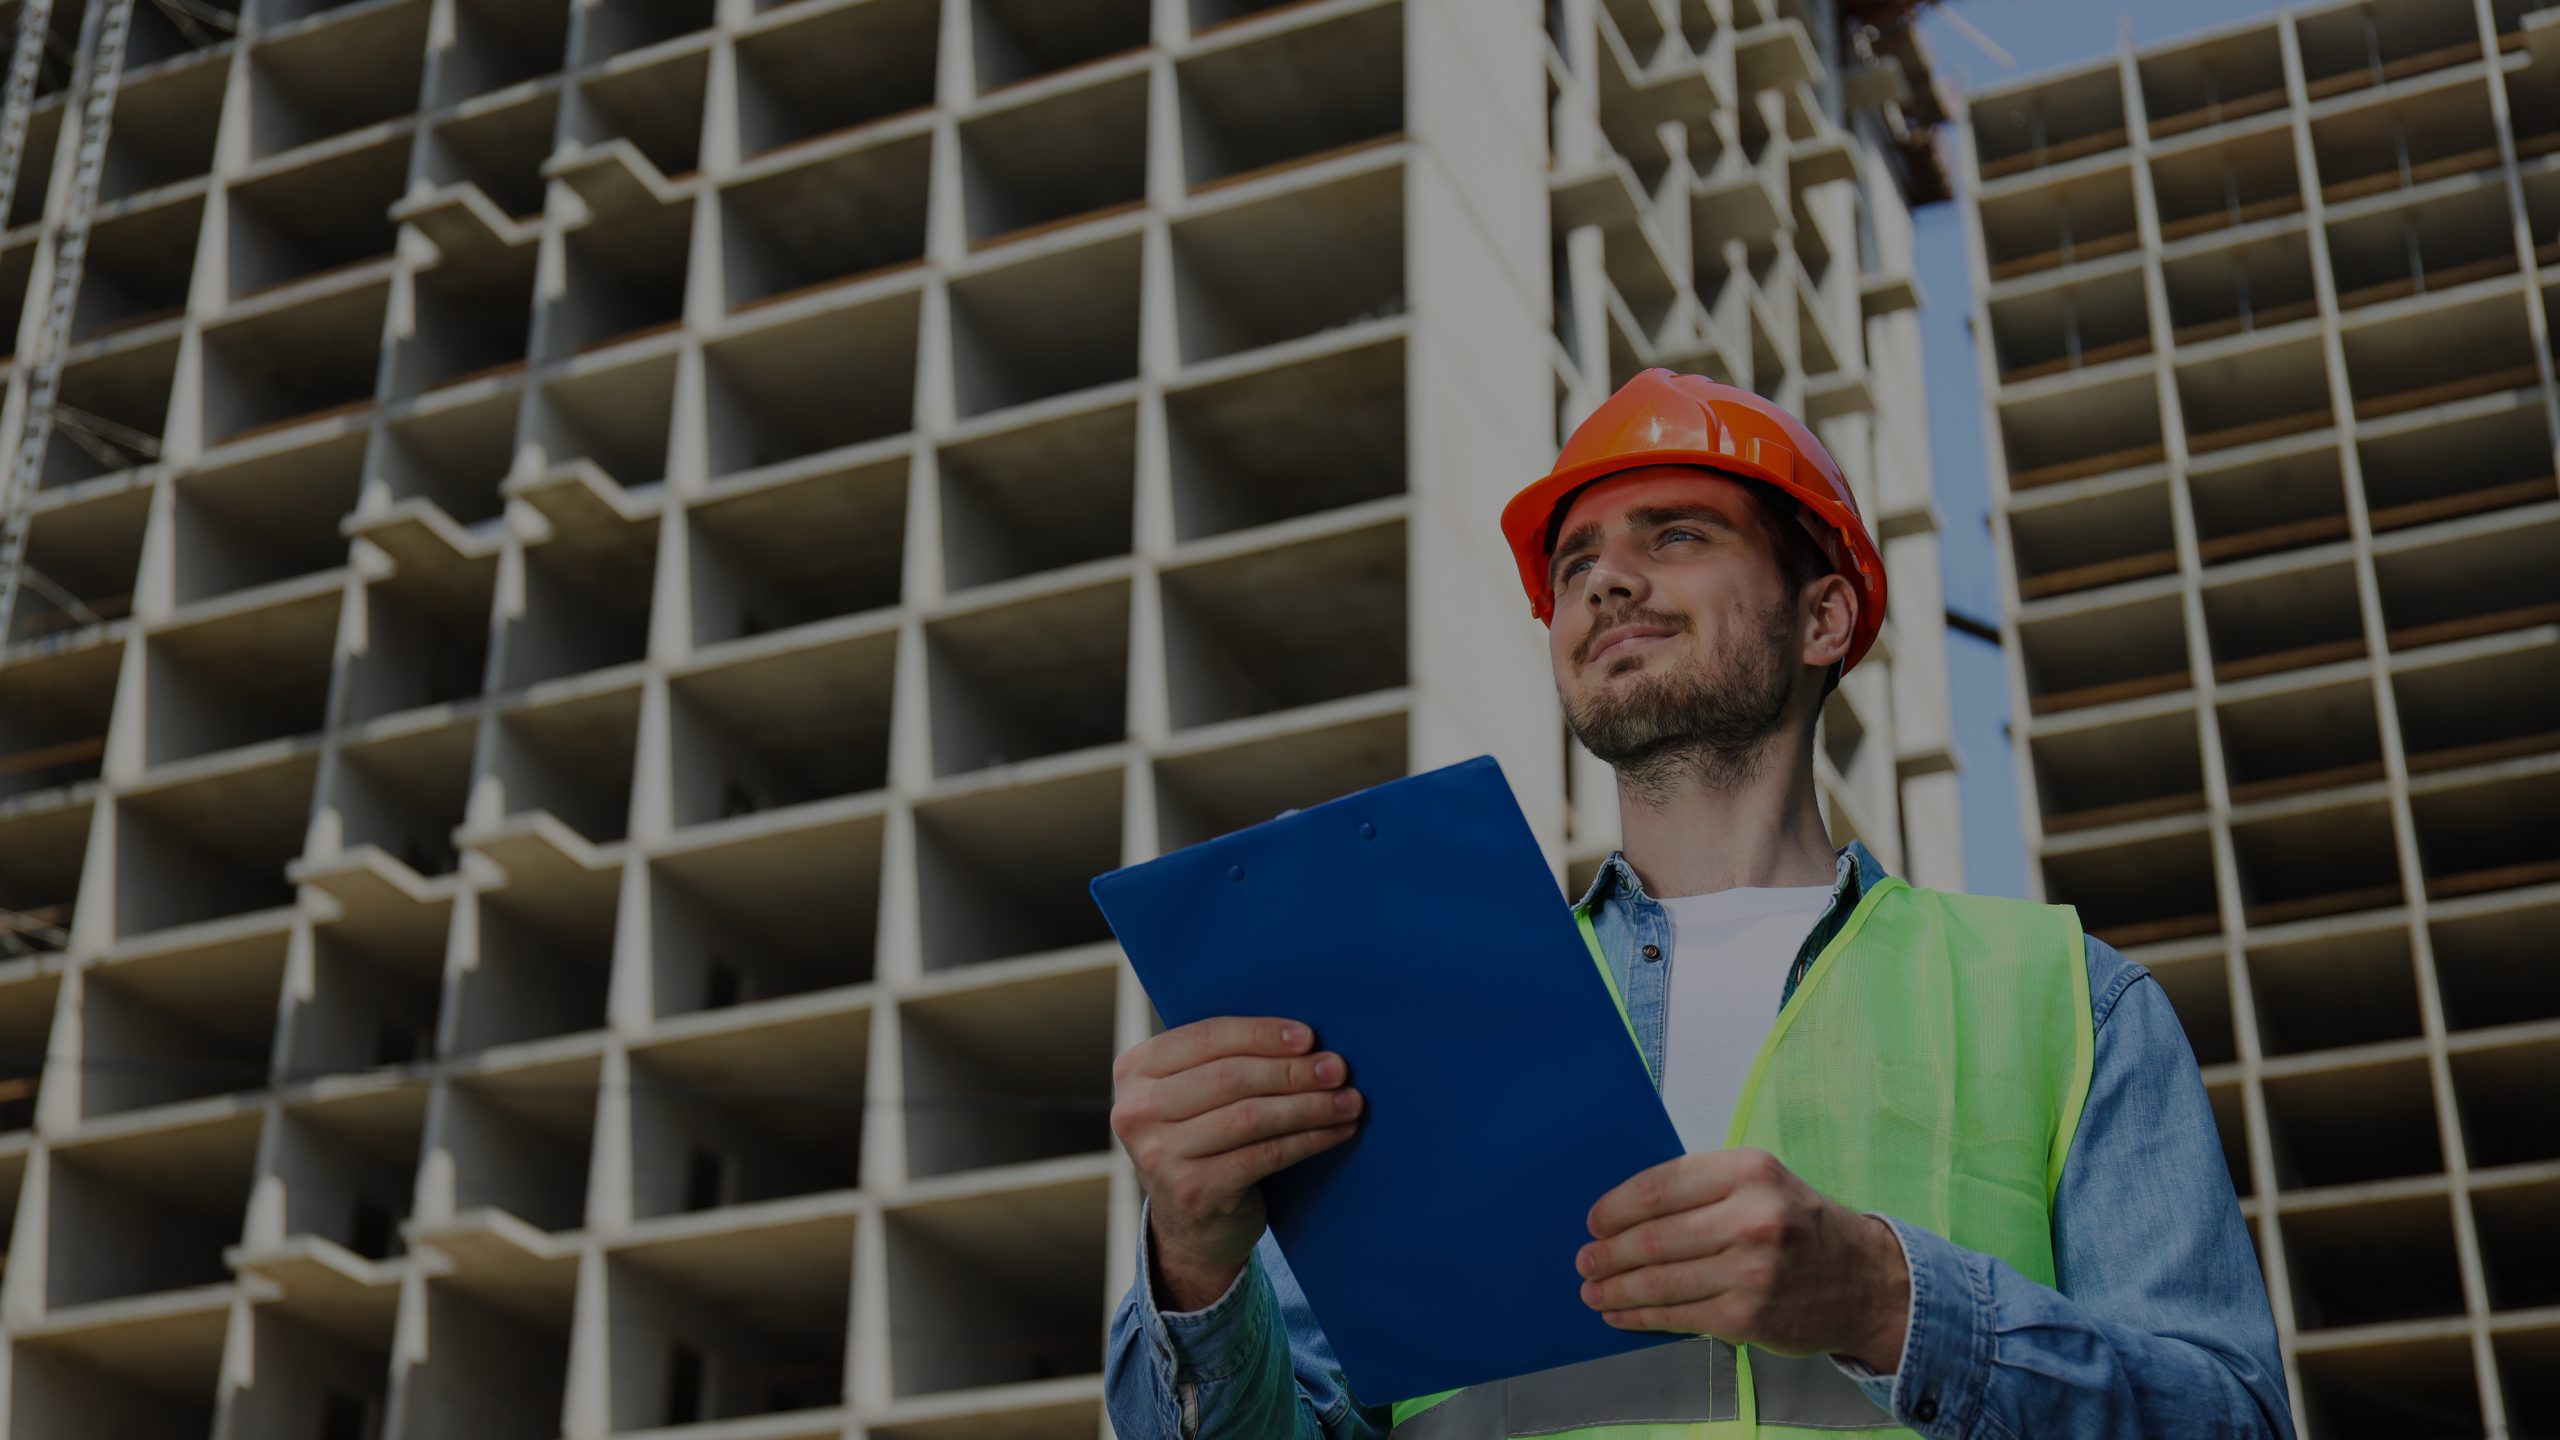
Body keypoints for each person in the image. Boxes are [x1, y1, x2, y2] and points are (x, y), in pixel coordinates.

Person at [1101, 370, 2294, 1439]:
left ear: (1823, 617)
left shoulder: (2065, 998)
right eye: (1574, 566)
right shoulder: (1417, 1018)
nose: (1605, 580)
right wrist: (1195, 1266)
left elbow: (2232, 1422)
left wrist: (1884, 1301)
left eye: (1676, 534)